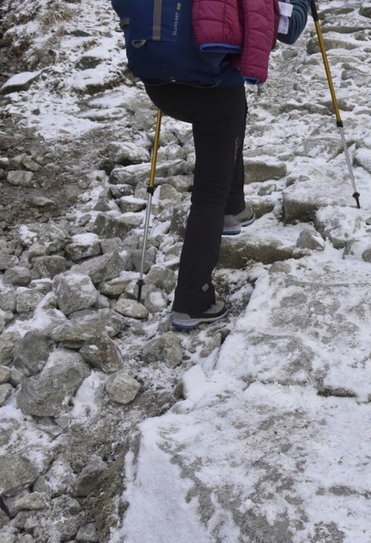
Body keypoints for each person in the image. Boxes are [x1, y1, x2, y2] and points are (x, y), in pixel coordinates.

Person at [139, 0, 310, 330]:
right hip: (213, 91)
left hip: (161, 85)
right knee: (207, 196)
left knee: (231, 114)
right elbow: (289, 28)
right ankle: (193, 300)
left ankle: (234, 207)